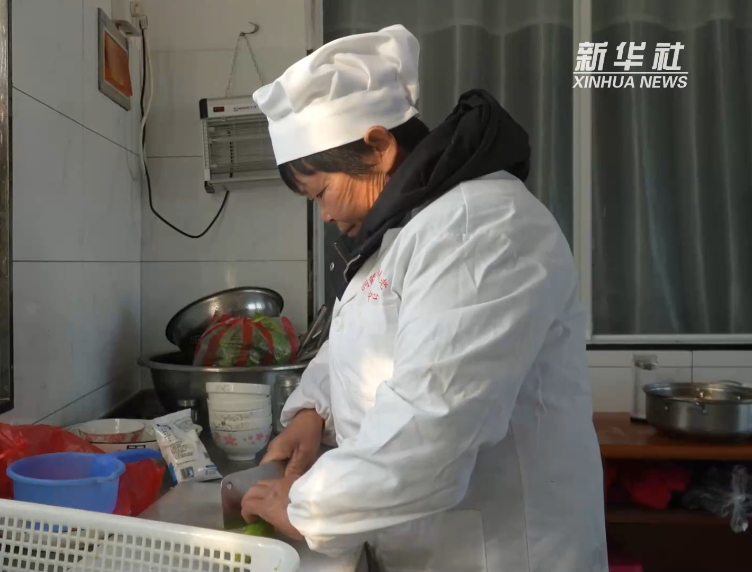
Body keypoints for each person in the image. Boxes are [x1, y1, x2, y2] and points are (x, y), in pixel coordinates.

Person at [239, 24, 608, 572]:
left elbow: (434, 422)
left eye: (324, 192)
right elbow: (361, 345)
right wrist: (313, 412)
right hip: (427, 545)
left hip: (504, 552)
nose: (327, 215)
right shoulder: (401, 233)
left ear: (379, 147)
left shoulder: (480, 226)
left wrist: (308, 508)